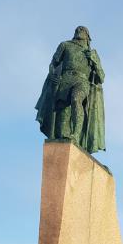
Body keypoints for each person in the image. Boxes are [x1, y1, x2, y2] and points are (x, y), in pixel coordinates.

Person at [35, 25, 105, 154]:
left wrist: (94, 61)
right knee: (62, 121)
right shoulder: (65, 45)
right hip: (65, 80)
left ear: (88, 37)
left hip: (82, 81)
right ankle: (66, 139)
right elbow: (53, 64)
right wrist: (53, 75)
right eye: (78, 29)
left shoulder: (93, 54)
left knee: (76, 98)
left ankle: (76, 135)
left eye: (83, 30)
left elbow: (101, 77)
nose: (79, 30)